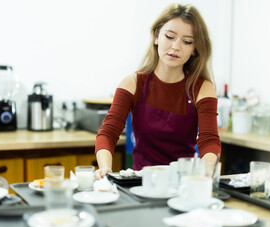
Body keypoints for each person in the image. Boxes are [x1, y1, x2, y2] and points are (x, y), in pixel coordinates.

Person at [94, 3, 221, 179]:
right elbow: (108, 133)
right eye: (170, 36)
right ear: (156, 36)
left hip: (182, 182)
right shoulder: (133, 83)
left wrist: (207, 170)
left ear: (194, 49)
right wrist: (105, 168)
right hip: (141, 182)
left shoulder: (202, 88)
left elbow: (209, 140)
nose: (176, 46)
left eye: (187, 41)